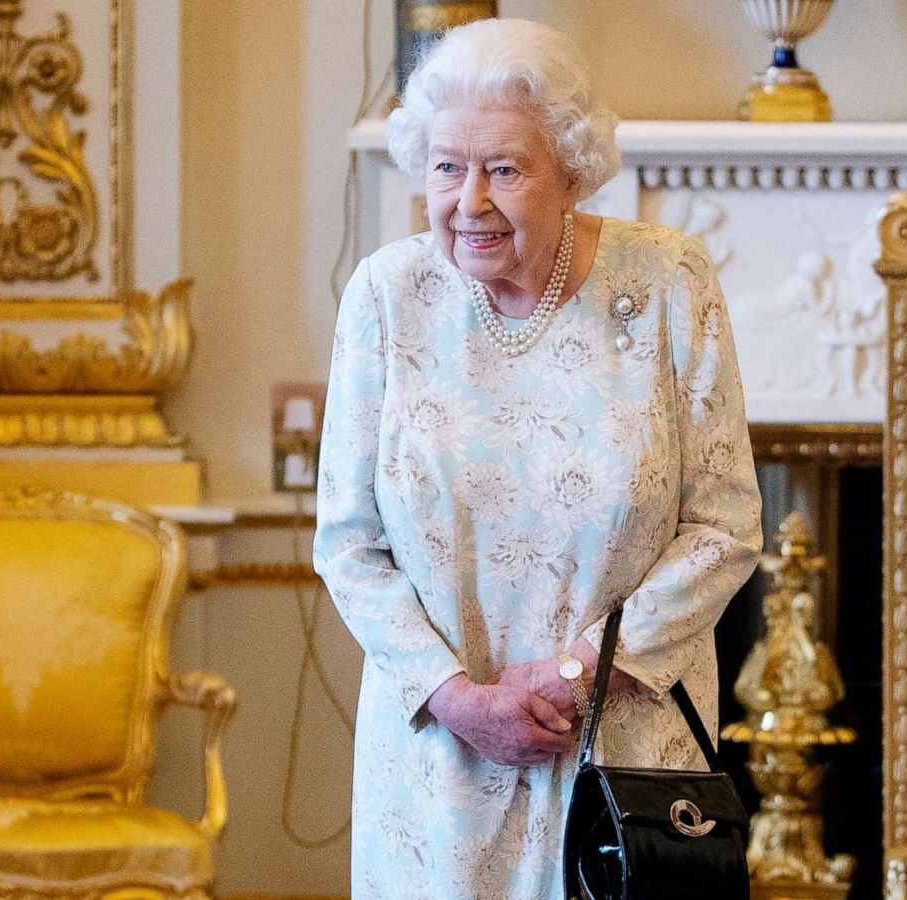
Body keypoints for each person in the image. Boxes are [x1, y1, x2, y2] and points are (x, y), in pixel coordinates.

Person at [313, 17, 762, 899]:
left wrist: (575, 674)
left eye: (504, 169)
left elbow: (725, 524)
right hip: (437, 766)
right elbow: (349, 543)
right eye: (447, 166)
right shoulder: (385, 298)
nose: (468, 201)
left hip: (626, 761)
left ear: (572, 170)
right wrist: (460, 698)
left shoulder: (671, 284)